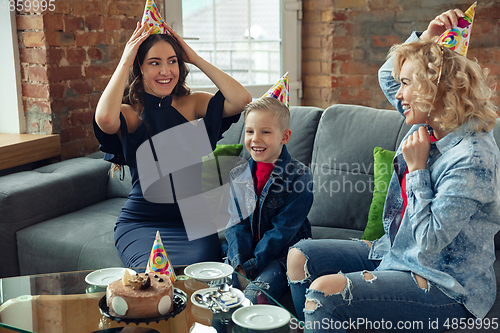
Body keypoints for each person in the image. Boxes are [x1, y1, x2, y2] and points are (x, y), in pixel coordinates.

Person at [286, 7, 499, 332]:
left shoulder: (473, 156)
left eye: (406, 84)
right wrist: (426, 40)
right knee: (300, 256)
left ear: (436, 87)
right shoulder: (432, 121)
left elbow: (429, 241)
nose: (396, 93)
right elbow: (388, 76)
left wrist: (416, 172)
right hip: (399, 254)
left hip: (447, 285)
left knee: (324, 292)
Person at [93, 20, 252, 268]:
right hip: (141, 222)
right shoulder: (131, 114)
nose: (166, 71)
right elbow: (104, 118)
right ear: (141, 68)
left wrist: (195, 58)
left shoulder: (193, 104)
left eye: (172, 61)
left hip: (193, 225)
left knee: (197, 284)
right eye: (154, 63)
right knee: (153, 284)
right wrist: (125, 60)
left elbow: (241, 99)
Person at [223, 97, 313, 305]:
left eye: (265, 132)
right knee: (219, 297)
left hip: (282, 256)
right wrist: (239, 265)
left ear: (285, 136)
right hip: (243, 256)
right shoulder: (238, 174)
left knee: (252, 300)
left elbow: (282, 232)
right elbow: (237, 224)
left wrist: (251, 267)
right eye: (250, 131)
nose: (255, 138)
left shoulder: (299, 176)